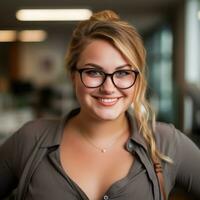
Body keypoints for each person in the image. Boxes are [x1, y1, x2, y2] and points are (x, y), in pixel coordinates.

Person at [0, 10, 200, 200]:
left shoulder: (166, 143)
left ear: (137, 79)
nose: (108, 88)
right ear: (73, 76)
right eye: (94, 72)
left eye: (122, 73)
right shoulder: (30, 140)